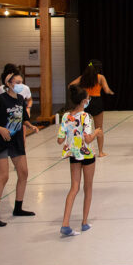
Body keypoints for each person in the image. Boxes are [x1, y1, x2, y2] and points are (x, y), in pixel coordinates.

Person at [0, 70, 39, 227]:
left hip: (15, 141)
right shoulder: (0, 101)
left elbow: (22, 118)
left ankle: (18, 208)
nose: (20, 85)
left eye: (21, 82)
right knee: (3, 177)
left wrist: (30, 126)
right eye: (16, 82)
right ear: (8, 84)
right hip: (0, 141)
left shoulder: (21, 99)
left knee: (23, 172)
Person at [57, 84, 102, 236]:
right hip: (87, 155)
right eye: (88, 99)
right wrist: (96, 132)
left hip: (74, 155)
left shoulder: (65, 116)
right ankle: (84, 222)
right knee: (87, 187)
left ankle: (65, 223)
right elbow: (88, 139)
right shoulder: (86, 117)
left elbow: (60, 139)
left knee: (74, 188)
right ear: (83, 101)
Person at [69, 60, 115, 156]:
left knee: (82, 127)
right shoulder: (100, 77)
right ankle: (101, 152)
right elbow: (106, 90)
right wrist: (111, 92)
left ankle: (80, 148)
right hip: (97, 102)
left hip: (85, 101)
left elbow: (70, 85)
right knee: (99, 128)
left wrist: (80, 92)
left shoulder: (83, 78)